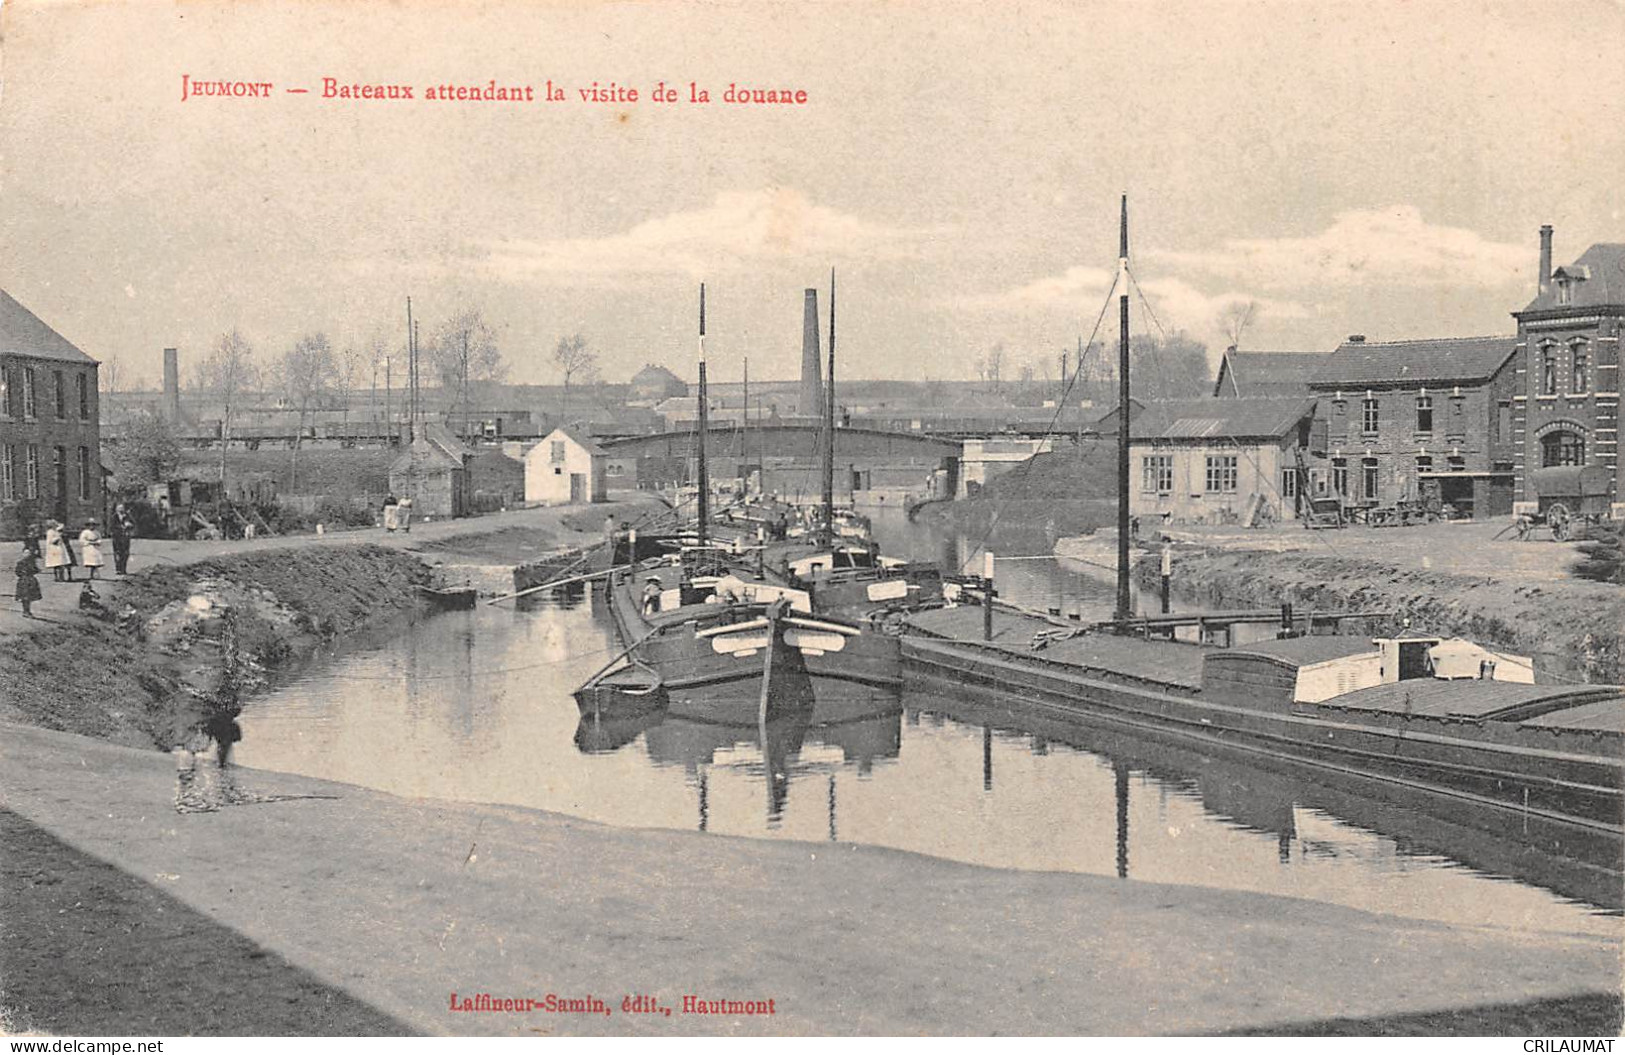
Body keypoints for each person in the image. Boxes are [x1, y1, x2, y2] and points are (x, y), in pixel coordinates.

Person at [14, 543, 41, 618]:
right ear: (23, 554)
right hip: (24, 581)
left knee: (29, 597)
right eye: (25, 553)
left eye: (28, 553)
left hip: (30, 580)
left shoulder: (32, 562)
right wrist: (23, 574)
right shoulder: (21, 562)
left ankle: (27, 611)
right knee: (25, 597)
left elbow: (36, 570)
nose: (27, 555)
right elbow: (17, 571)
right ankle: (26, 611)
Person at [110, 503, 136, 576]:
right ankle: (118, 569)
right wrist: (121, 527)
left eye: (122, 508)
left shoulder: (127, 516)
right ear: (117, 509)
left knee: (125, 553)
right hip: (117, 537)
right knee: (117, 553)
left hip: (126, 537)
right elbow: (112, 527)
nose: (121, 510)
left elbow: (133, 523)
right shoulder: (114, 517)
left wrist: (130, 525)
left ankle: (123, 569)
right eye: (119, 508)